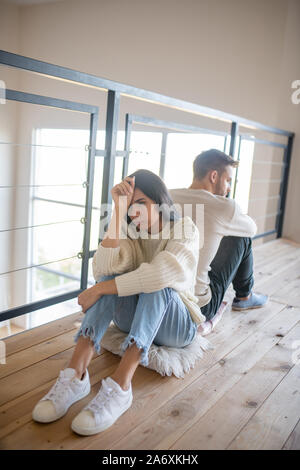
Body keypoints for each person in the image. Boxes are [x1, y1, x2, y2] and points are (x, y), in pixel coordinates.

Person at [32, 169, 206, 436]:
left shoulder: (186, 228)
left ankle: (121, 386)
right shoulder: (131, 230)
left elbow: (160, 275)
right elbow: (102, 268)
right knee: (111, 276)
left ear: (160, 201)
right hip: (135, 320)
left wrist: (101, 288)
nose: (134, 212)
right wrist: (117, 211)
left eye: (141, 203)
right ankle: (75, 374)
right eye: (130, 206)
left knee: (155, 283)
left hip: (176, 326)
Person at [169, 148, 269, 335]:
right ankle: (244, 296)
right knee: (242, 237)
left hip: (165, 297)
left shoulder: (167, 196)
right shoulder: (224, 207)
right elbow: (251, 229)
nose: (229, 187)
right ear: (213, 176)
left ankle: (244, 295)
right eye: (228, 180)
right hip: (199, 307)